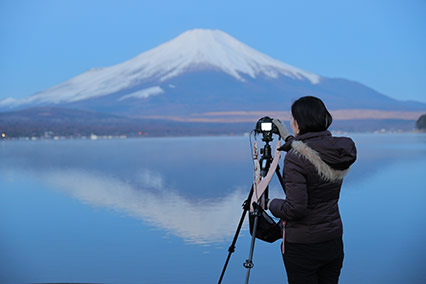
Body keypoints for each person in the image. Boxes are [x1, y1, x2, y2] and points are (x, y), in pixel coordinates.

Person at [268, 96, 357, 284]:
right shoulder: (337, 150)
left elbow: (295, 209)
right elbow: (312, 151)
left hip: (303, 247)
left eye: (292, 118)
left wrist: (268, 203)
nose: (291, 122)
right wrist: (289, 139)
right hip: (333, 240)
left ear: (298, 122)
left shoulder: (295, 158)